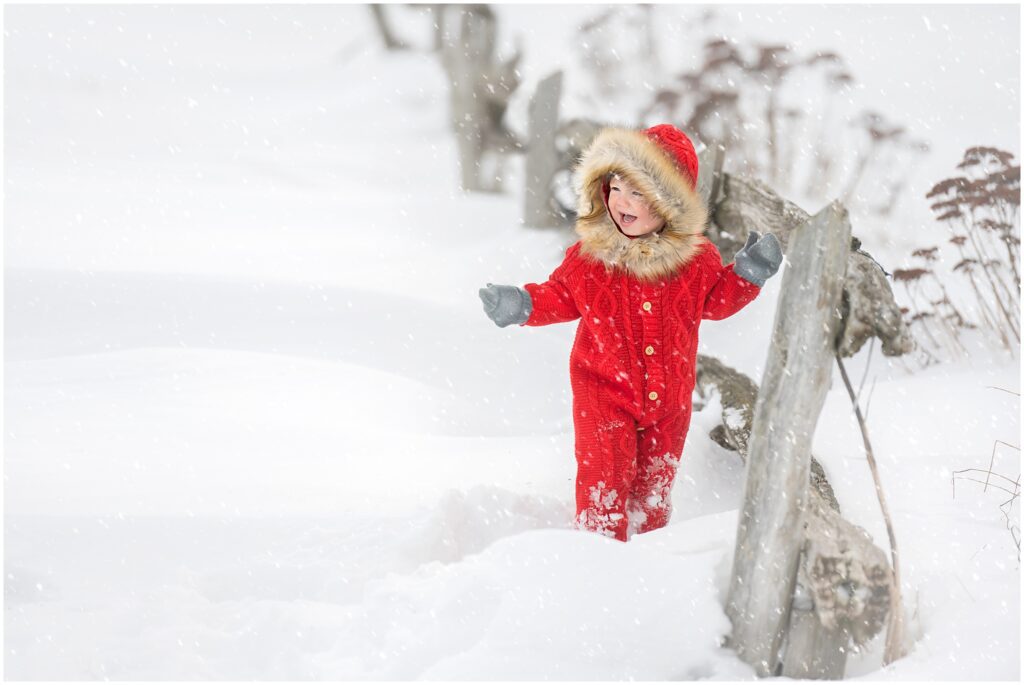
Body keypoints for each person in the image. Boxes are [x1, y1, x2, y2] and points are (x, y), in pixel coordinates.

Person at [479, 124, 782, 542]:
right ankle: (599, 555)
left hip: (670, 400)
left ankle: (647, 555)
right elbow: (561, 295)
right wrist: (524, 304)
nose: (622, 200)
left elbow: (716, 300)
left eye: (638, 193)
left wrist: (748, 275)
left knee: (654, 490)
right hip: (603, 393)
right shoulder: (591, 260)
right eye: (616, 186)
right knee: (605, 479)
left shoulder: (695, 262)